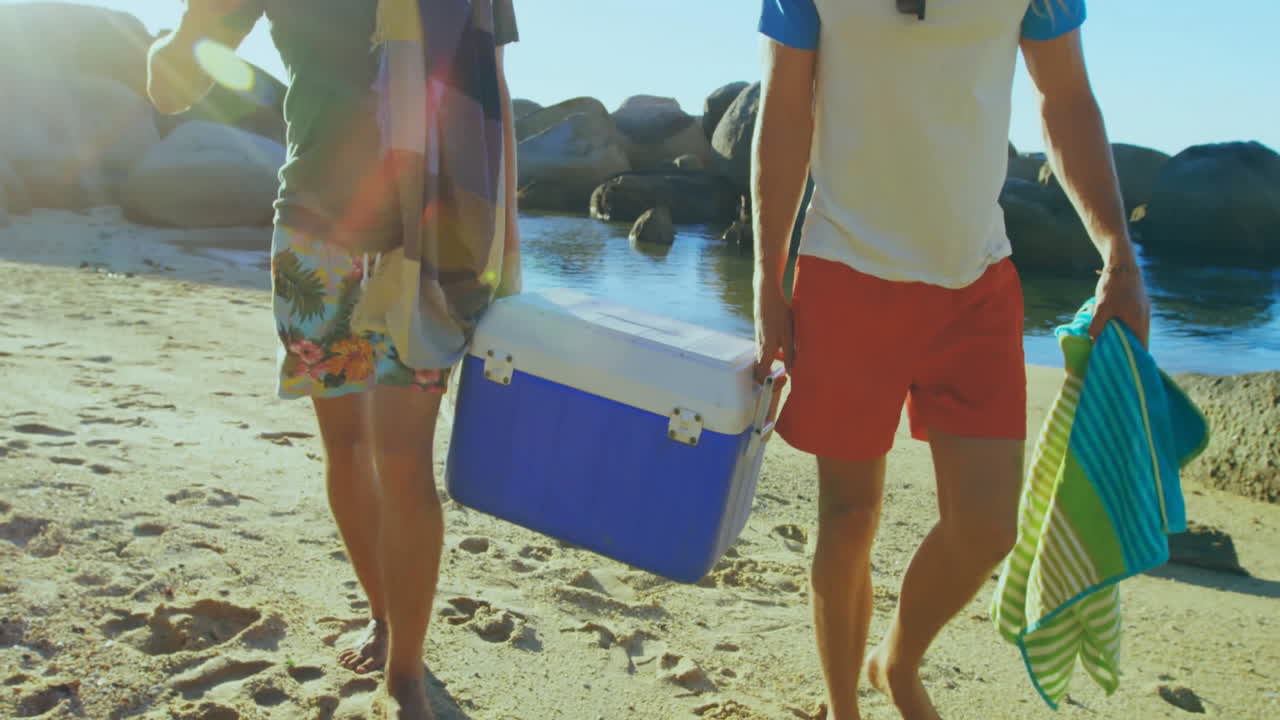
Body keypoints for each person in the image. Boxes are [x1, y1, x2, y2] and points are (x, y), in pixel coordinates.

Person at [750, 1, 1150, 719]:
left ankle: (897, 663)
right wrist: (767, 276)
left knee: (989, 524)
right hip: (845, 269)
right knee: (848, 517)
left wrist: (1119, 254)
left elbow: (1064, 98)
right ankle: (844, 709)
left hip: (977, 278)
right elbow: (785, 109)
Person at [146, 2, 520, 718]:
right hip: (317, 230)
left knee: (403, 458)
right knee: (346, 447)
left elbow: (490, 90)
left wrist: (506, 246)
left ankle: (405, 676)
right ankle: (383, 619)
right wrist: (189, 30)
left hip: (431, 238)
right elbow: (171, 88)